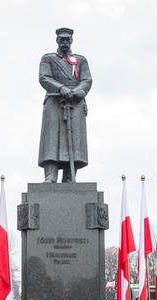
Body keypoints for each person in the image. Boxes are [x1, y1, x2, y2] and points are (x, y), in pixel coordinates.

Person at [38, 27, 92, 183]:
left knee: (74, 141)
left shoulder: (81, 60)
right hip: (55, 102)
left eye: (67, 40)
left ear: (71, 41)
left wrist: (77, 91)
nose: (64, 42)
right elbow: (44, 78)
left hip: (75, 103)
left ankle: (69, 176)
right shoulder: (48, 58)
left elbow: (87, 80)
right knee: (51, 140)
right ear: (57, 40)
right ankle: (51, 175)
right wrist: (61, 88)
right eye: (62, 39)